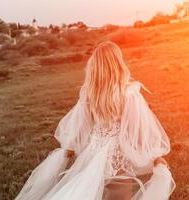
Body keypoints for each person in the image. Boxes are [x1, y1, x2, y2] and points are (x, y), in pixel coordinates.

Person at [15, 41, 175, 200]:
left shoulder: (89, 92)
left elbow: (81, 125)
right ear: (118, 63)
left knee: (90, 190)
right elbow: (138, 129)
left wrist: (71, 147)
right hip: (118, 155)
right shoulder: (128, 93)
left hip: (92, 152)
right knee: (118, 194)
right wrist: (155, 155)